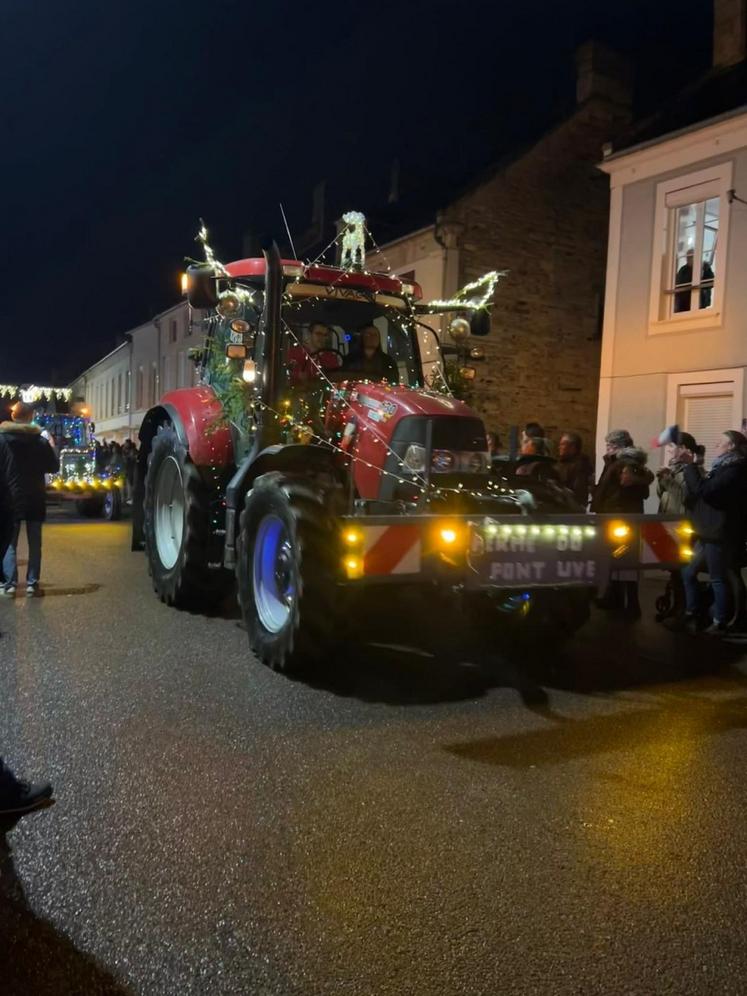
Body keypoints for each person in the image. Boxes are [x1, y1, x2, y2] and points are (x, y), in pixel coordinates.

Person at [679, 430, 747, 634]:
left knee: (718, 577)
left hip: (719, 532)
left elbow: (706, 492)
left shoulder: (735, 469)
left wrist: (691, 466)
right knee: (689, 572)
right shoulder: (722, 467)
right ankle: (693, 612)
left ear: (732, 446)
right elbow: (700, 493)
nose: (716, 445)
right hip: (707, 530)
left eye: (720, 442)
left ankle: (720, 621)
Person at [591, 429, 654, 617]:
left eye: (610, 444)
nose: (608, 447)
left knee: (624, 560)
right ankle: (616, 599)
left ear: (620, 446)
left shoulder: (625, 464)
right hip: (616, 516)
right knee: (618, 559)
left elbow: (637, 489)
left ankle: (631, 605)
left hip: (621, 518)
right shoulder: (618, 462)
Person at [0, 403, 60, 597]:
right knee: (35, 544)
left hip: (9, 497)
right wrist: (52, 448)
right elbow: (53, 467)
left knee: (10, 543)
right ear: (31, 416)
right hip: (35, 496)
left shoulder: (2, 439)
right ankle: (32, 585)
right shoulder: (40, 441)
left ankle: (9, 585)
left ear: (13, 415)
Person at [655, 431, 701, 621]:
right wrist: (662, 479)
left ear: (684, 449)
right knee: (673, 571)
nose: (668, 450)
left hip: (682, 525)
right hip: (668, 521)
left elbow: (686, 497)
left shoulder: (693, 471)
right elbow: (663, 494)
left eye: (672, 447)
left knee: (682, 571)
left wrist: (668, 480)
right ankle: (675, 606)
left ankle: (686, 610)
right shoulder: (673, 469)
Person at [555, 431, 593, 507]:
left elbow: (578, 491)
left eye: (562, 444)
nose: (559, 447)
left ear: (572, 447)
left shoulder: (580, 466)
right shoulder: (563, 463)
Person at [674, 248, 715, 313]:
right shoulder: (683, 270)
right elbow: (680, 283)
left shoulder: (705, 267)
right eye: (688, 257)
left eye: (691, 257)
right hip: (684, 305)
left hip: (700, 303)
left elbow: (711, 282)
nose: (689, 259)